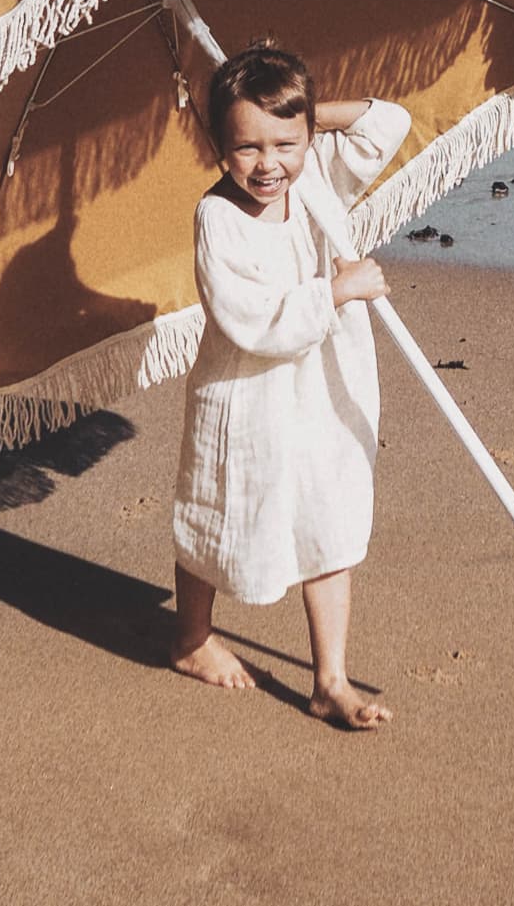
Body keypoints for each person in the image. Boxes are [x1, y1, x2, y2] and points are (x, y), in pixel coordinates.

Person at [169, 42, 412, 730]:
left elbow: (386, 122)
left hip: (319, 390)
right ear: (218, 145)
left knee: (327, 515)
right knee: (218, 506)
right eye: (246, 146)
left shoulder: (313, 176)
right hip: (246, 393)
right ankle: (190, 637)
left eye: (285, 142)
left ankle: (329, 678)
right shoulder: (218, 218)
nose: (268, 163)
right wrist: (336, 291)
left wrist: (302, 116)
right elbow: (252, 321)